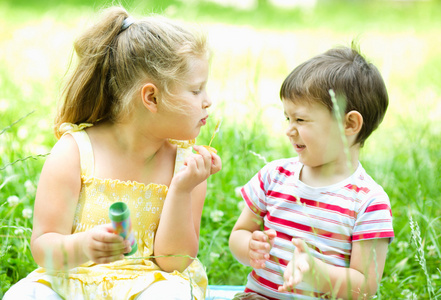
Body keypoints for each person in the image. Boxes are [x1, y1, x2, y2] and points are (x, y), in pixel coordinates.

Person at [4, 6, 221, 300]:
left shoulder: (186, 166)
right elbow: (44, 249)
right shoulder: (75, 152)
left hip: (147, 284)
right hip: (73, 281)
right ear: (152, 98)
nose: (208, 101)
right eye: (196, 90)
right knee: (24, 295)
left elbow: (175, 262)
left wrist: (182, 189)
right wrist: (82, 246)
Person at [229, 44, 394, 299]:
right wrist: (249, 246)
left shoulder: (368, 202)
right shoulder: (274, 176)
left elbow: (365, 286)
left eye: (301, 120)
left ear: (349, 124)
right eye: (288, 118)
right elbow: (240, 233)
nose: (289, 129)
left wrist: (318, 274)